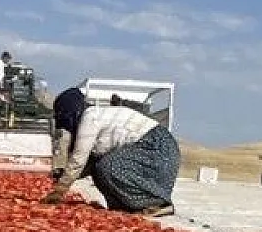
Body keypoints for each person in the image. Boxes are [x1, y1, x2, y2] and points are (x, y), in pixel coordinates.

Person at [42, 87, 179, 216]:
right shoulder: (94, 116)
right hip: (156, 150)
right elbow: (89, 164)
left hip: (157, 149)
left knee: (107, 166)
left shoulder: (90, 118)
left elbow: (79, 159)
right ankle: (126, 207)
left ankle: (157, 204)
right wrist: (65, 174)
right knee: (99, 166)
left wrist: (60, 189)